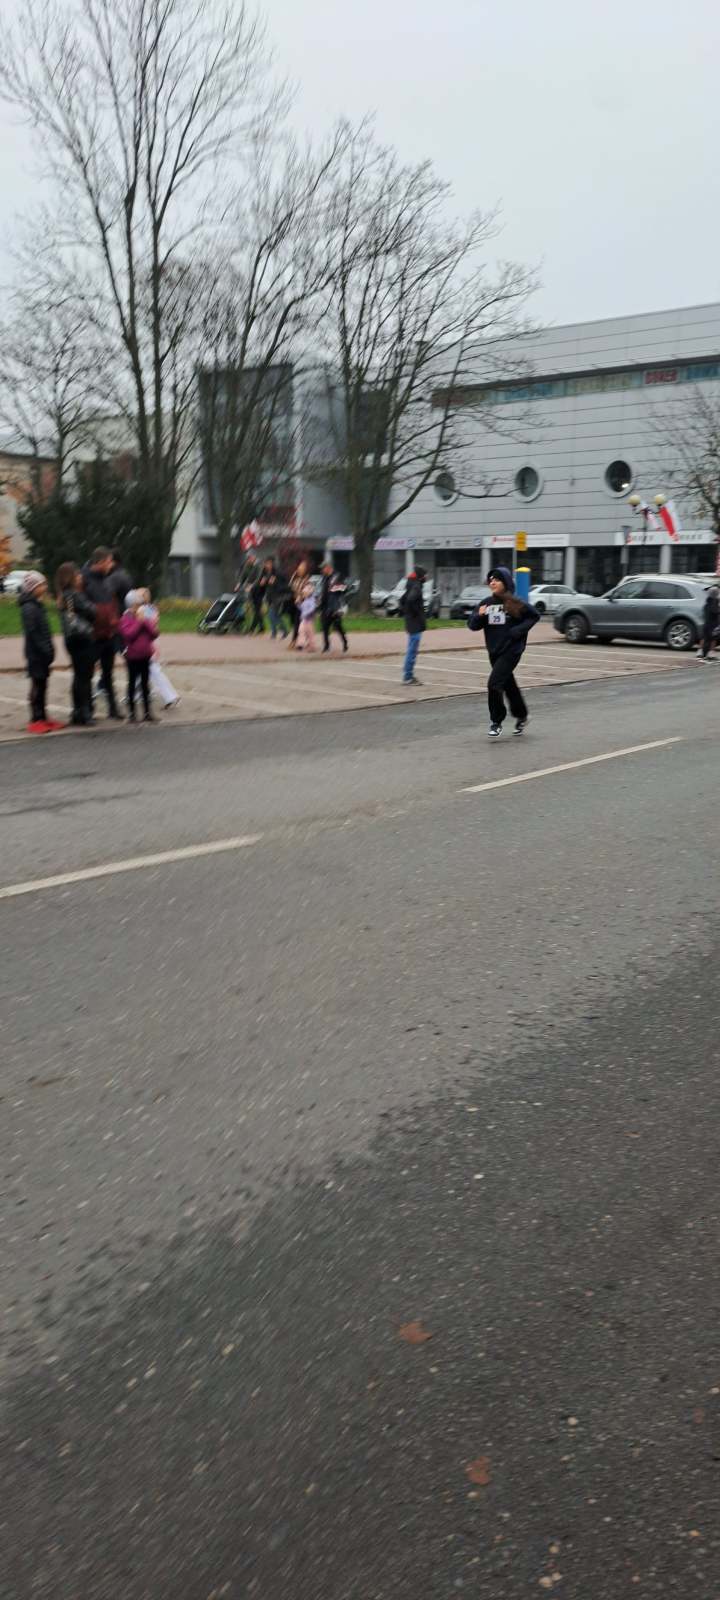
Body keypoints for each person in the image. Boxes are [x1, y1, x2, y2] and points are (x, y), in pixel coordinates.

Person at [468, 566, 540, 737]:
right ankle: (522, 716)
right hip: (494, 651)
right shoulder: (486, 603)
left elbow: (534, 616)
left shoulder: (514, 603)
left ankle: (496, 721)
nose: (492, 582)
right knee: (508, 685)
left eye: (497, 579)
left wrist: (518, 631)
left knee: (494, 684)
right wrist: (479, 615)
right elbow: (472, 625)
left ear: (506, 583)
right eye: (491, 580)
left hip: (511, 650)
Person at [82, 546, 124, 720]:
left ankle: (113, 709)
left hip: (109, 634)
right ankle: (87, 710)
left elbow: (112, 601)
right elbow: (81, 605)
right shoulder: (84, 579)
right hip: (92, 635)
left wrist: (114, 618)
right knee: (87, 673)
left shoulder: (106, 579)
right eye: (108, 561)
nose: (111, 565)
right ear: (99, 562)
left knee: (108, 673)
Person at [19, 571, 60, 733]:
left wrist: (49, 649)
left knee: (43, 684)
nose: (45, 587)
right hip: (35, 653)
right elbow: (33, 632)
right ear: (32, 588)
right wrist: (45, 648)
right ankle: (35, 718)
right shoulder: (29, 607)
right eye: (41, 585)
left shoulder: (37, 605)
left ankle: (43, 716)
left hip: (42, 652)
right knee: (37, 685)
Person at [56, 562, 96, 726]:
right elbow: (92, 611)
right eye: (77, 574)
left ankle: (77, 711)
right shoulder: (74, 594)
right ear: (70, 577)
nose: (80, 577)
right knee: (84, 676)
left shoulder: (63, 595)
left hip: (71, 639)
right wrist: (92, 606)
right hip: (82, 638)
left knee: (78, 675)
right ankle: (85, 712)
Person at [120, 589, 159, 723]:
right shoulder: (126, 618)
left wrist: (146, 621)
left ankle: (147, 712)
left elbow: (154, 633)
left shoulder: (143, 617)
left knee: (145, 684)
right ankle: (132, 714)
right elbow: (129, 635)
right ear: (132, 605)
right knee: (132, 683)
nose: (140, 607)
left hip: (145, 655)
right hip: (132, 657)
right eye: (138, 604)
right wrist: (139, 622)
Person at [400, 566, 427, 685]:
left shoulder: (411, 585)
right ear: (421, 576)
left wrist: (407, 613)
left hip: (411, 621)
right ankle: (408, 677)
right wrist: (417, 613)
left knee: (411, 649)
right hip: (414, 622)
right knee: (412, 650)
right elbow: (410, 600)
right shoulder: (416, 586)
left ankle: (407, 674)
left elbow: (402, 600)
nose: (426, 577)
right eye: (425, 575)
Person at [319, 562, 349, 653]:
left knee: (338, 626)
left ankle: (345, 642)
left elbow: (344, 588)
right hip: (326, 607)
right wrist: (320, 602)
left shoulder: (337, 576)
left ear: (328, 567)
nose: (322, 570)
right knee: (325, 627)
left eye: (323, 568)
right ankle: (326, 646)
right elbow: (324, 591)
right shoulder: (324, 578)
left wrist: (337, 588)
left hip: (335, 607)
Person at [259, 558, 288, 640]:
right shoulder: (264, 573)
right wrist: (262, 583)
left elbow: (283, 583)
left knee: (271, 614)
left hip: (277, 597)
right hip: (269, 597)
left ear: (272, 564)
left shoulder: (277, 573)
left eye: (268, 563)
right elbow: (262, 585)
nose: (267, 565)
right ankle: (281, 631)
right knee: (275, 615)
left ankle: (277, 632)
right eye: (266, 564)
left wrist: (275, 582)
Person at [288, 559, 310, 648]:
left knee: (299, 623)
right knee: (295, 623)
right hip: (294, 603)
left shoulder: (306, 580)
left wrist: (300, 595)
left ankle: (295, 641)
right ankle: (305, 640)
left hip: (302, 604)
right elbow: (290, 587)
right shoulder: (295, 578)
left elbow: (307, 592)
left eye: (303, 568)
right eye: (300, 568)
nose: (300, 570)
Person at [700, 584, 720, 660]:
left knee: (705, 637)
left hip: (707, 622)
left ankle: (702, 652)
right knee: (713, 638)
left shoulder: (708, 601)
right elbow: (715, 611)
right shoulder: (714, 602)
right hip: (712, 623)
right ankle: (709, 653)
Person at [297, 580, 317, 651]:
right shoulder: (305, 600)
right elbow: (302, 608)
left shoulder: (312, 600)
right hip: (304, 619)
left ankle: (312, 646)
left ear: (309, 593)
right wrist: (298, 604)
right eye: (303, 594)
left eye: (305, 594)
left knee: (310, 633)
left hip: (309, 619)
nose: (304, 595)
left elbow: (312, 608)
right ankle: (300, 644)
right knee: (301, 630)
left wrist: (306, 614)